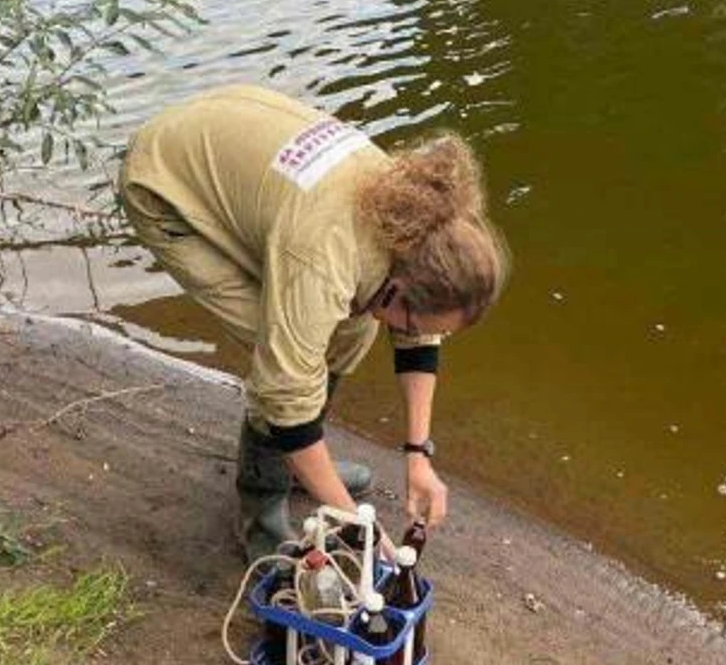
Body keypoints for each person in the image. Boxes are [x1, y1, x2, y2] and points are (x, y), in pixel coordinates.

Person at [118, 85, 510, 560]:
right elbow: (287, 388)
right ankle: (260, 511)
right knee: (286, 354)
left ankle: (298, 465)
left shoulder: (417, 227)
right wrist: (357, 529)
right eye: (427, 321)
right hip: (166, 185)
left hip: (235, 139)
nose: (430, 333)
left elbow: (417, 329)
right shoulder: (322, 255)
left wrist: (418, 453)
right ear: (402, 286)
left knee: (351, 327)